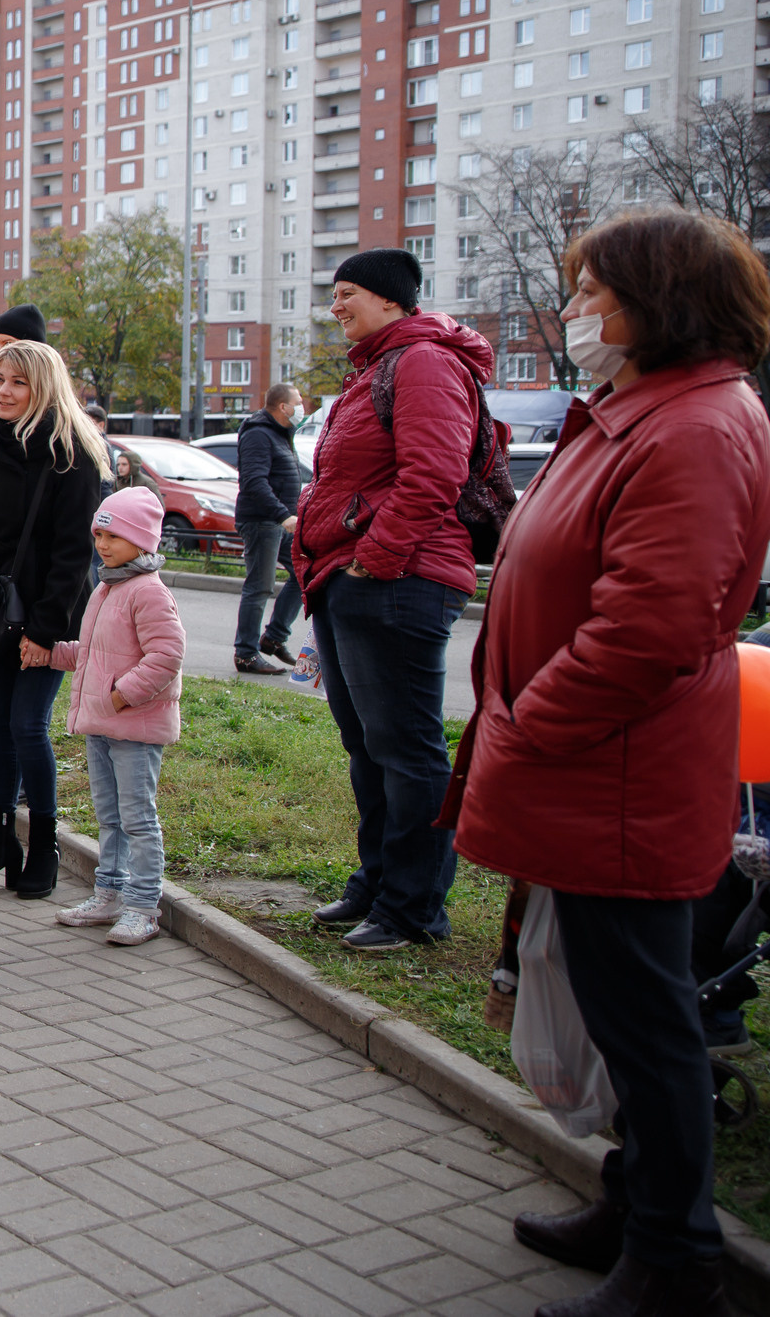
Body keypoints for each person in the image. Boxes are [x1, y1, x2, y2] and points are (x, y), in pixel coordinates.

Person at [454, 210, 770, 1317]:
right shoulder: (645, 411)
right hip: (593, 771)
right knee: (619, 1010)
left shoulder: (692, 425)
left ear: (659, 300)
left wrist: (529, 723)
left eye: (594, 290)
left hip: (611, 776)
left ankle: (676, 1259)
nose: (578, 308)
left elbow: (650, 626)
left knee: (645, 1022)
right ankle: (633, 1204)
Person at [292, 247, 492, 952]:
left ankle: (413, 908)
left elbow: (433, 475)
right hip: (351, 580)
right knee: (367, 747)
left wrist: (373, 561)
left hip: (399, 581)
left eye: (346, 292)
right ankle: (377, 884)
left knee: (406, 751)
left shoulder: (425, 362)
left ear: (389, 298)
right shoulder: (374, 368)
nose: (336, 305)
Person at [0, 339, 109, 900]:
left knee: (27, 726)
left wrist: (44, 631)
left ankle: (44, 845)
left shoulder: (72, 453)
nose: (5, 392)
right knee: (1, 730)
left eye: (18, 382)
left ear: (44, 387)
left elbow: (73, 554)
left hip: (49, 611)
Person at [47, 486, 184, 947]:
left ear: (143, 540)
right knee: (109, 816)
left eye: (114, 536)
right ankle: (108, 893)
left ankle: (143, 906)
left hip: (134, 727)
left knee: (138, 819)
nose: (102, 545)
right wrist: (52, 655)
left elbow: (166, 656)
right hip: (103, 725)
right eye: (98, 535)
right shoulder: (107, 587)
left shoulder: (147, 591)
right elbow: (95, 654)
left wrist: (122, 695)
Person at [232, 382, 307, 674]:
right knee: (259, 586)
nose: (303, 407)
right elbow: (253, 482)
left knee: (303, 573)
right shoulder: (259, 434)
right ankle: (246, 654)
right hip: (264, 521)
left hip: (280, 521)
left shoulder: (280, 434)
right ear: (283, 407)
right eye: (298, 401)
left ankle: (274, 637)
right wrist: (282, 515)